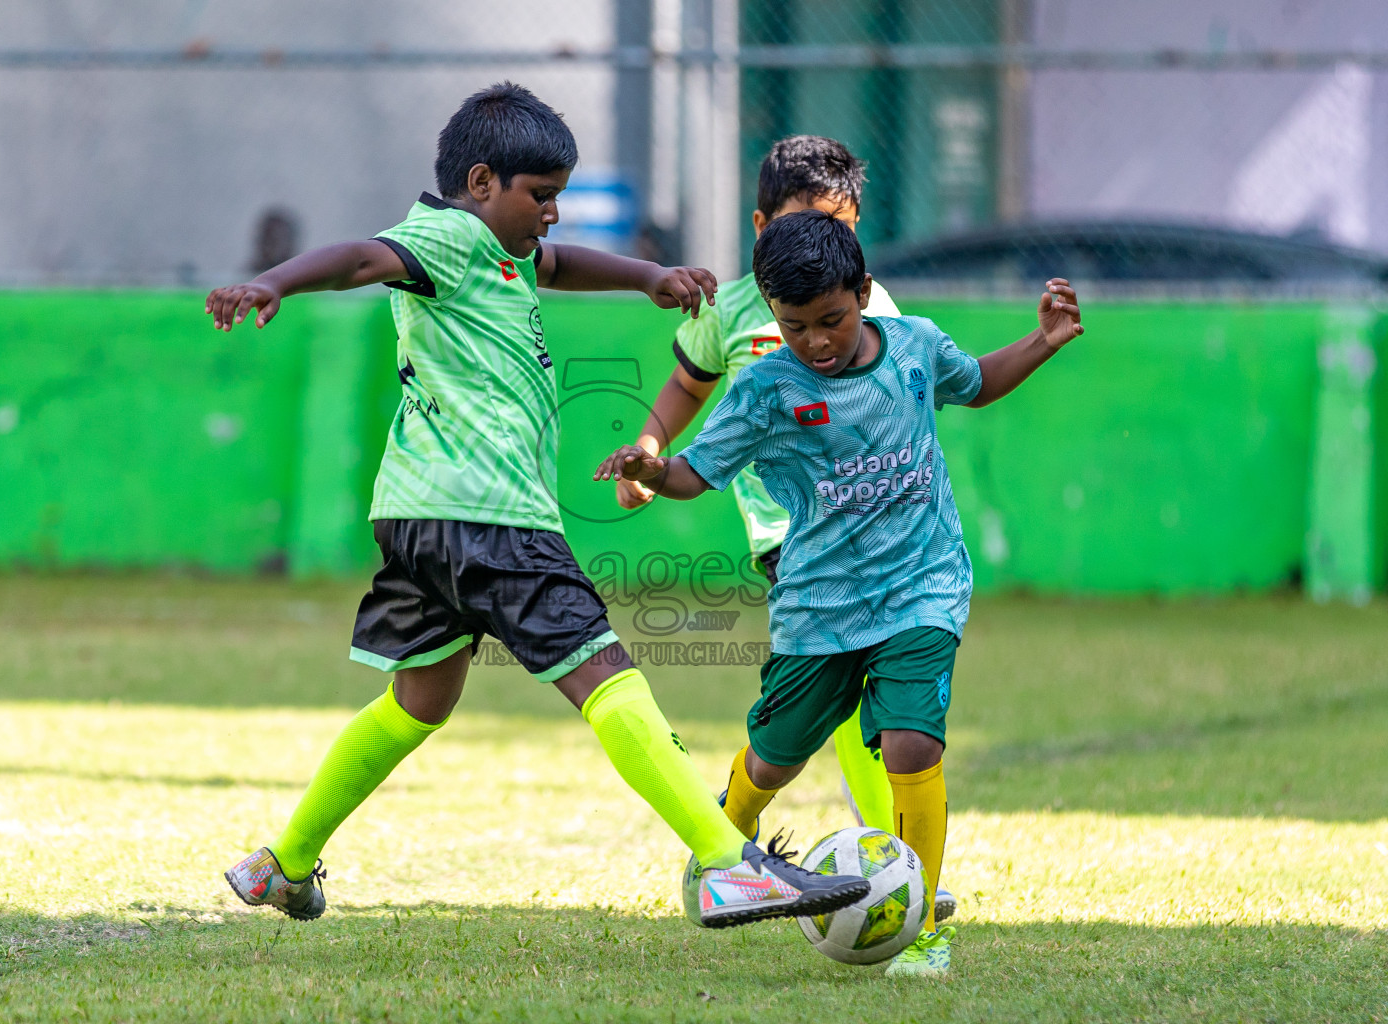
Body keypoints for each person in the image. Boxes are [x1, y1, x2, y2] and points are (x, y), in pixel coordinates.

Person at [203, 83, 870, 930]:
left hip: (418, 513)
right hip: (492, 516)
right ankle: (725, 864)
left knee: (422, 700)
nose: (552, 216)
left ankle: (282, 864)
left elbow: (558, 266)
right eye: (542, 197)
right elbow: (362, 259)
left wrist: (648, 278)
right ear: (482, 182)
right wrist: (275, 283)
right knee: (606, 673)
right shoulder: (443, 237)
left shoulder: (500, 252)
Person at [594, 209, 1084, 975]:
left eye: (832, 320)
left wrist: (1043, 342)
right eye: (796, 327)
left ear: (863, 293)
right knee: (773, 759)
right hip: (818, 605)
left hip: (923, 587)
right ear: (772, 316)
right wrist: (654, 471)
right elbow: (697, 470)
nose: (817, 342)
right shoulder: (764, 390)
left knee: (912, 740)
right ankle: (722, 857)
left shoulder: (916, 348)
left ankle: (919, 927)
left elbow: (978, 382)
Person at [614, 135, 956, 923]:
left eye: (839, 231)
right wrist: (651, 450)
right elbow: (686, 383)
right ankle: (731, 847)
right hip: (789, 540)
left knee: (884, 716)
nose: (818, 250)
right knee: (818, 718)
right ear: (763, 225)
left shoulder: (880, 311)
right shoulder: (731, 308)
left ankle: (898, 881)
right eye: (800, 229)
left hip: (880, 540)